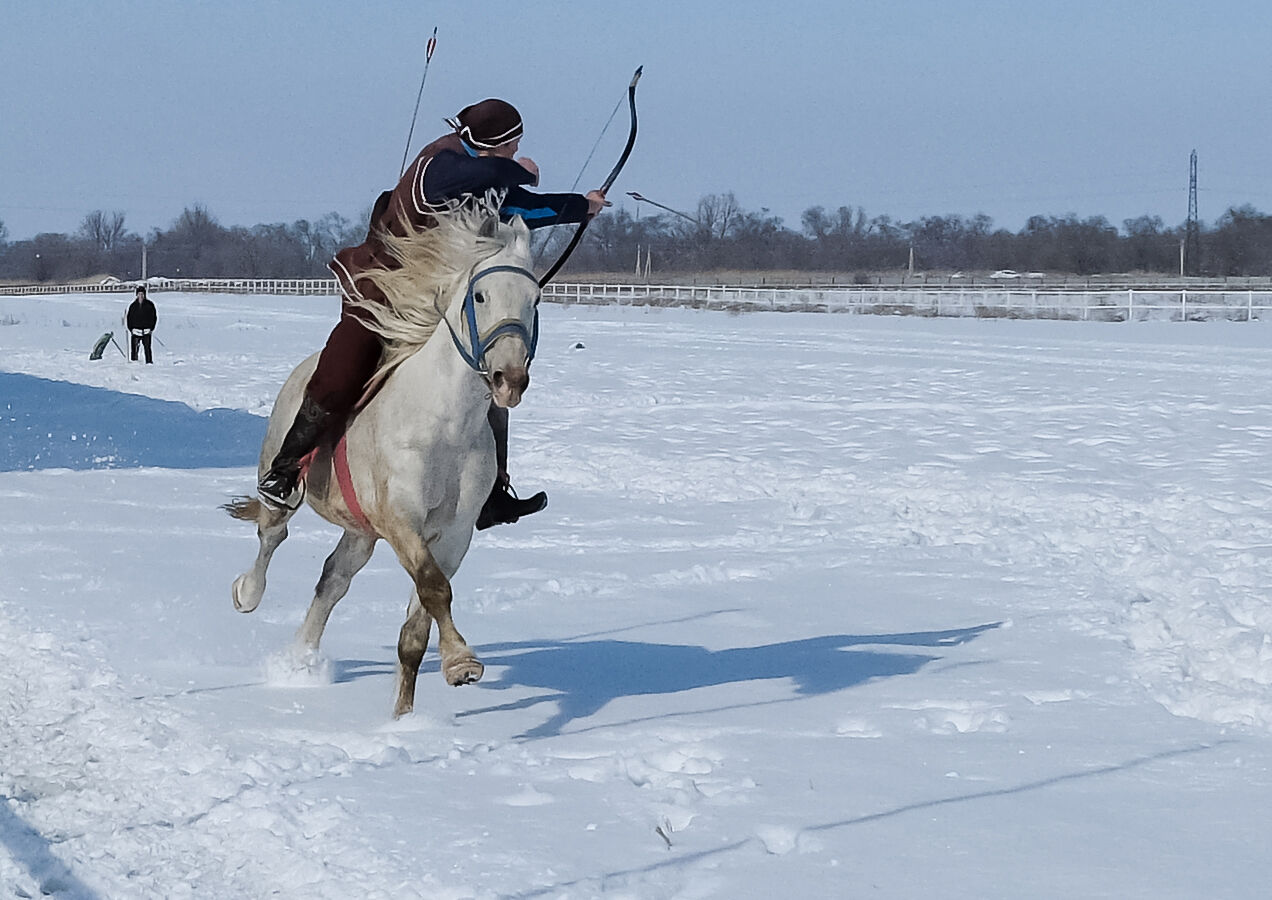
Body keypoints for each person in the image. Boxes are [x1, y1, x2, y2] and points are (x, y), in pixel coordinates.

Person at [258, 98, 606, 528]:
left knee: (486, 372)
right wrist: (521, 171)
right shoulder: (438, 164)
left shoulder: (488, 177)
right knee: (344, 366)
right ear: (492, 144)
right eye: (512, 145)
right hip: (384, 290)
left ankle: (492, 490)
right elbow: (477, 176)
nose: (517, 151)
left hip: (439, 297)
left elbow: (524, 208)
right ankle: (286, 467)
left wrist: (580, 206)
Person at [126, 285, 157, 364]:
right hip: (136, 331)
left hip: (146, 331)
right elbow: (129, 318)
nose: (141, 296)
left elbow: (153, 317)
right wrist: (131, 329)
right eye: (139, 294)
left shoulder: (150, 305)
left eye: (142, 294)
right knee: (134, 349)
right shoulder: (133, 306)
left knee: (147, 348)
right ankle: (134, 363)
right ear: (136, 295)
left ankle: (149, 363)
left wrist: (151, 328)